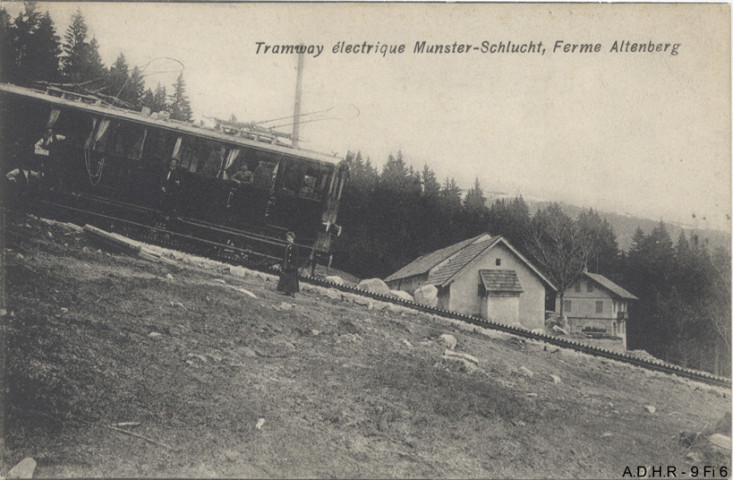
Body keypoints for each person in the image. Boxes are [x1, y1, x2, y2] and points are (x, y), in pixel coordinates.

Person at [276, 231, 300, 297]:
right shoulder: (287, 246)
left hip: (292, 265)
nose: (288, 240)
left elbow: (296, 257)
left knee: (292, 279)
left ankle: (293, 293)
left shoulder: (295, 246)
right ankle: (287, 291)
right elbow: (285, 256)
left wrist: (294, 265)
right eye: (288, 238)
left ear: (293, 238)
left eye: (289, 238)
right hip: (286, 264)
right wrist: (282, 264)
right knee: (286, 277)